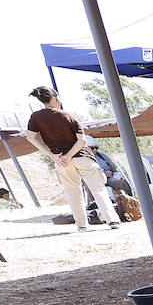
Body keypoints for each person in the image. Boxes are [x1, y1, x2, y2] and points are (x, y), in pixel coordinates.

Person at [23, 86, 119, 232]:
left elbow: (30, 137)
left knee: (73, 192)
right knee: (98, 189)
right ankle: (112, 221)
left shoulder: (36, 117)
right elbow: (82, 141)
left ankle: (81, 225)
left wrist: (53, 155)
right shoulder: (67, 115)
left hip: (60, 160)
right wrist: (69, 155)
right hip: (82, 157)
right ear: (54, 99)